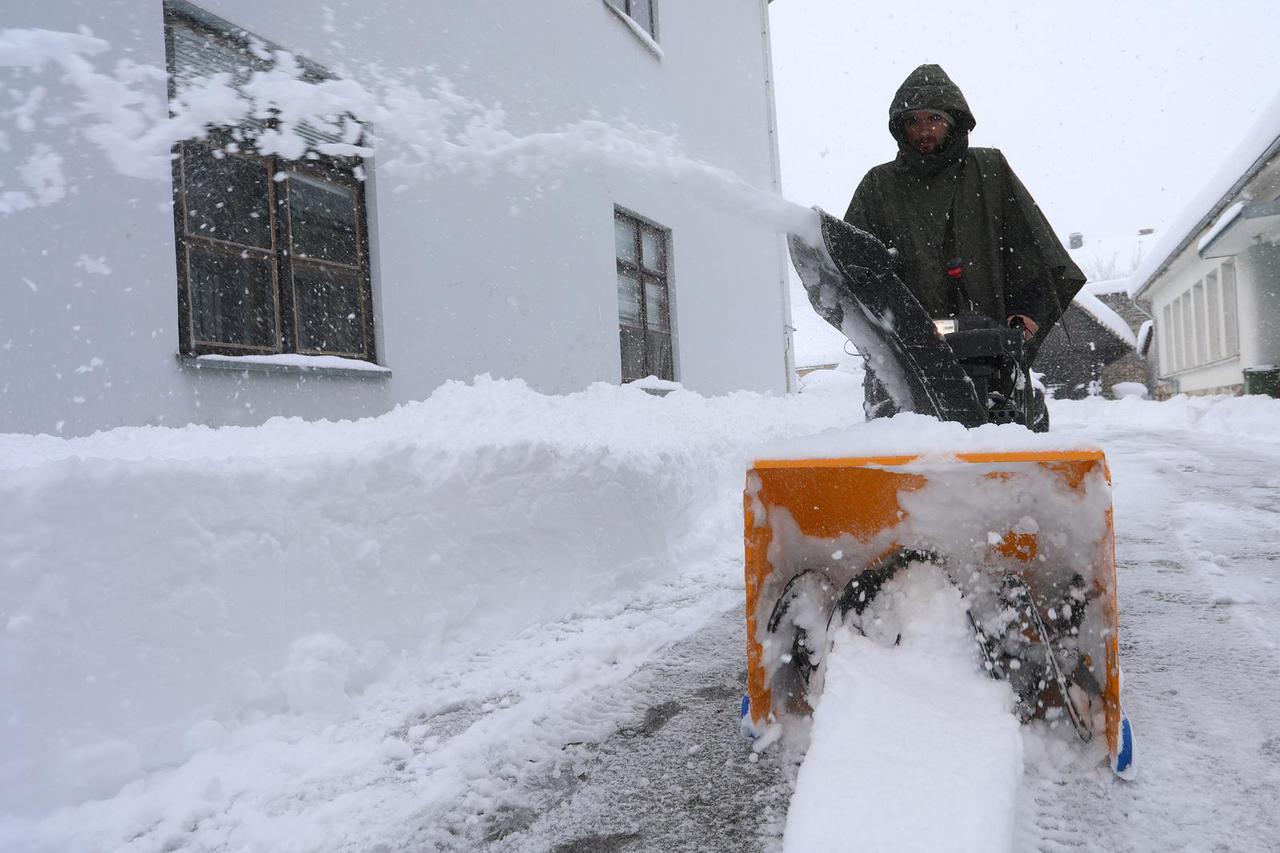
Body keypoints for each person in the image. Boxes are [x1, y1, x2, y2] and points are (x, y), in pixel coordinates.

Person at [844, 63, 1085, 417]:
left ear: (954, 121)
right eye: (913, 121)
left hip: (990, 348)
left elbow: (1032, 247)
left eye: (934, 119)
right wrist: (880, 318)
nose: (923, 130)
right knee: (899, 444)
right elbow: (853, 260)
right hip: (908, 349)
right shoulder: (879, 186)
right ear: (900, 128)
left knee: (1004, 437)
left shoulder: (988, 171)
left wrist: (1029, 312)